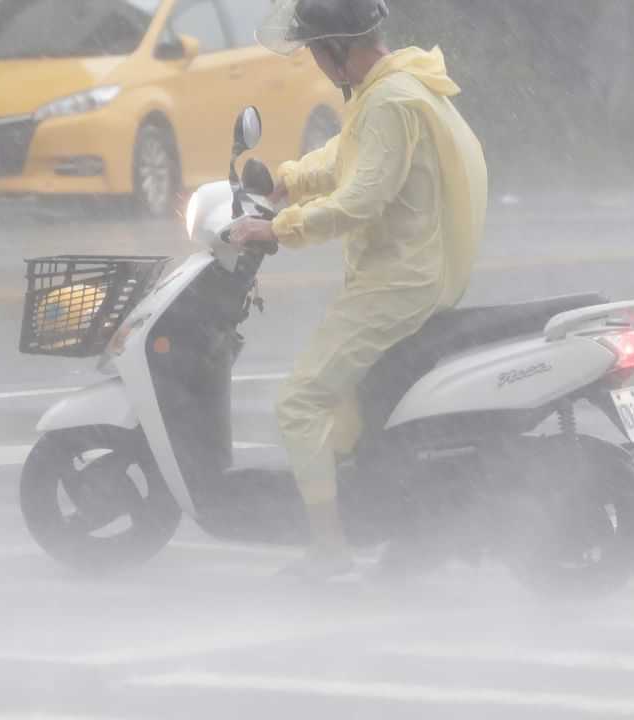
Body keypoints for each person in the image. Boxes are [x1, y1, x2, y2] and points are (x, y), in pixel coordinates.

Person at [228, 0, 488, 579]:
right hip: (416, 274)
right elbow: (351, 159)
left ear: (336, 49)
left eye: (316, 54)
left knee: (299, 403)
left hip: (398, 282)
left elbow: (360, 199)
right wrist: (286, 181)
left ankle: (328, 550)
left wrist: (277, 228)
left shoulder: (391, 103)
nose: (317, 65)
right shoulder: (401, 84)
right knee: (352, 415)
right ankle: (404, 525)